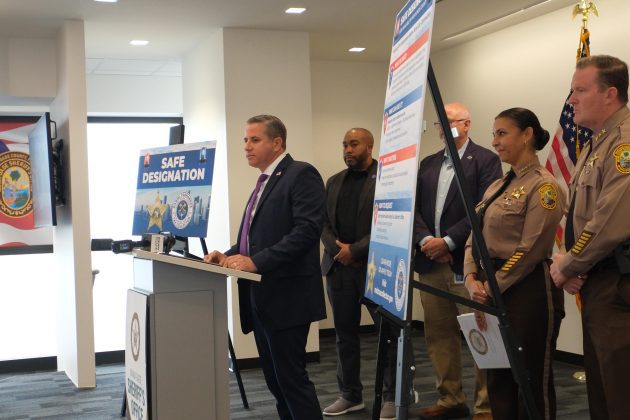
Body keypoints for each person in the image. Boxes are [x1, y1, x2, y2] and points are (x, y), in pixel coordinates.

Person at [204, 115, 326, 420]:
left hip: (287, 297)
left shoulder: (300, 174)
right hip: (261, 298)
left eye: (254, 140)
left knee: (292, 381)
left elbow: (307, 231)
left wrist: (256, 262)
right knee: (275, 381)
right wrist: (227, 255)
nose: (246, 146)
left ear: (277, 143)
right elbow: (254, 239)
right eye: (245, 140)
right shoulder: (265, 181)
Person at [464, 108, 566, 420]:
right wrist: (470, 277)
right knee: (498, 377)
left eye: (502, 133)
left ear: (527, 135)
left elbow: (529, 250)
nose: (494, 141)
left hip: (527, 291)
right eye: (493, 134)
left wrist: (491, 286)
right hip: (490, 288)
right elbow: (474, 235)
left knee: (530, 378)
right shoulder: (496, 186)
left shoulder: (544, 186)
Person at [550, 55, 630, 420]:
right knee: (601, 388)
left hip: (618, 283)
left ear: (610, 93)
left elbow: (609, 220)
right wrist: (574, 264)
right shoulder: (598, 143)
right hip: (597, 281)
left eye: (580, 91)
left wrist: (569, 264)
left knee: (620, 393)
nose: (571, 100)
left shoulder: (623, 143)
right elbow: (579, 216)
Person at [414, 102, 501, 420]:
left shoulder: (486, 160)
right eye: (440, 123)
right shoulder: (428, 163)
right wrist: (427, 241)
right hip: (430, 263)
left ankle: (486, 405)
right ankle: (450, 398)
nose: (443, 128)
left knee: (480, 332)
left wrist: (448, 241)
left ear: (466, 125)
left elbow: (483, 208)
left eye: (450, 122)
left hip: (467, 263)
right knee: (438, 334)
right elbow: (415, 208)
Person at [320, 128, 397, 419]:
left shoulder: (387, 179)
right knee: (345, 335)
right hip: (339, 269)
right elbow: (323, 223)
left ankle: (393, 396)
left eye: (354, 144)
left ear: (369, 146)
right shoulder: (334, 181)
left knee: (388, 335)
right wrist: (340, 250)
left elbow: (389, 222)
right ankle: (350, 395)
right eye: (345, 145)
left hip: (377, 268)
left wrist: (356, 250)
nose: (348, 150)